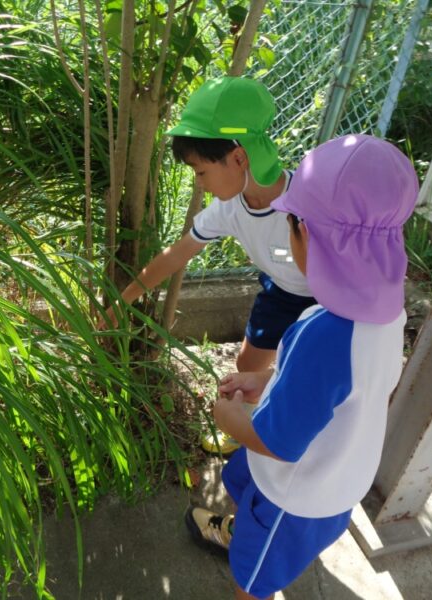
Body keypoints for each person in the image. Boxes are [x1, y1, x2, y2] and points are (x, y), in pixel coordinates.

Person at [184, 134, 419, 600]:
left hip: (294, 496)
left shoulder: (325, 333)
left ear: (306, 234)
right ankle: (241, 533)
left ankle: (248, 556)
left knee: (253, 582)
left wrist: (230, 417)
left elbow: (279, 443)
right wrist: (267, 380)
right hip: (336, 475)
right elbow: (345, 386)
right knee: (250, 508)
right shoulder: (385, 312)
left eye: (292, 221)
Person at [104, 76, 316, 455]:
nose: (198, 183)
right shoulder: (229, 209)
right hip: (281, 290)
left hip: (326, 300)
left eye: (200, 171)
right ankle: (244, 425)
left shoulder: (306, 200)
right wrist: (126, 299)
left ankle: (293, 437)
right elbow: (177, 254)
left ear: (239, 157)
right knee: (247, 364)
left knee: (305, 371)